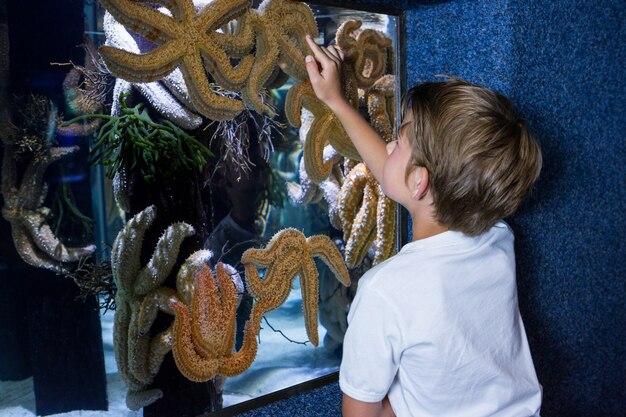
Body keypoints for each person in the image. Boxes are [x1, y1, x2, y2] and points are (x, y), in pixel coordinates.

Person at [303, 34, 543, 417]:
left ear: (419, 181)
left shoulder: (385, 292)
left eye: (398, 139)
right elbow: (395, 173)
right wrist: (336, 100)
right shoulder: (497, 238)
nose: (389, 148)